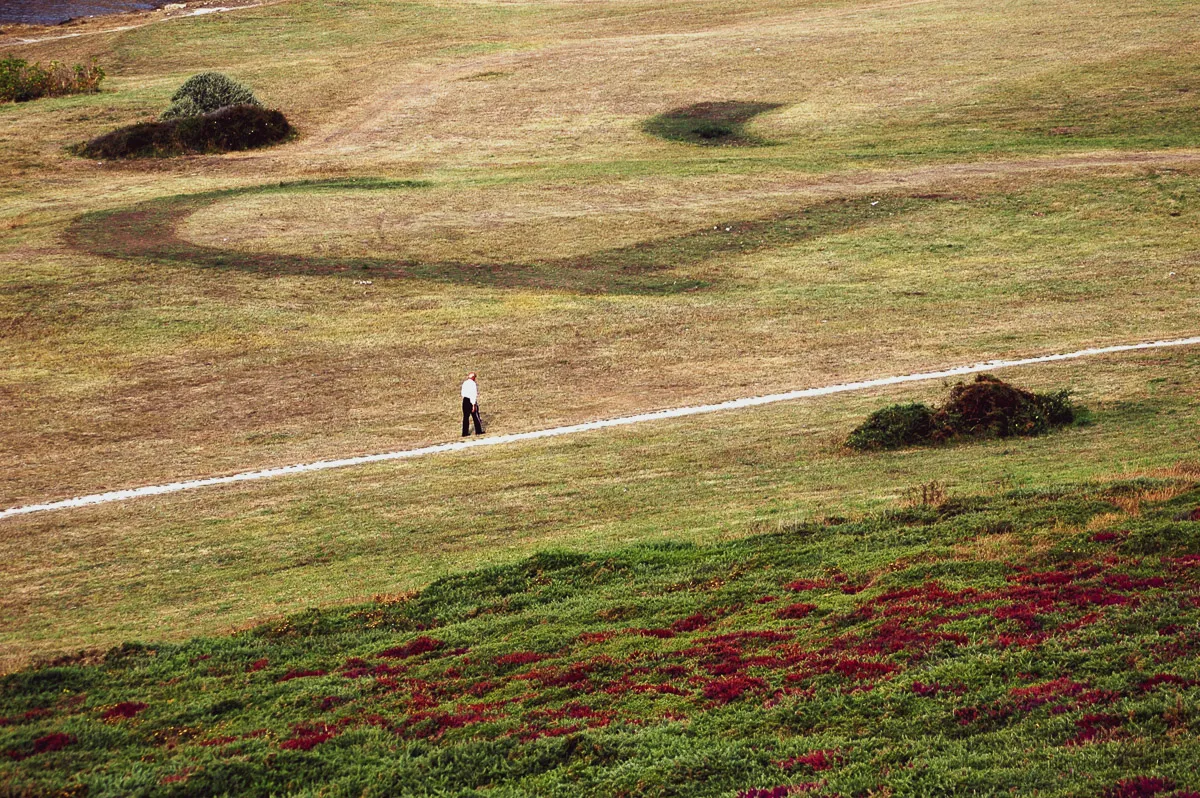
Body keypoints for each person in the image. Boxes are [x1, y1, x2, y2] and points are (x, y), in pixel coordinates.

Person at [461, 372, 484, 436]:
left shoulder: (464, 383)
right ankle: (478, 431)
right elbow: (473, 394)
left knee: (465, 417)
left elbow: (462, 393)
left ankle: (464, 432)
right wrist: (473, 405)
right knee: (475, 416)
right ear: (473, 378)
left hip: (465, 400)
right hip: (470, 401)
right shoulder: (473, 384)